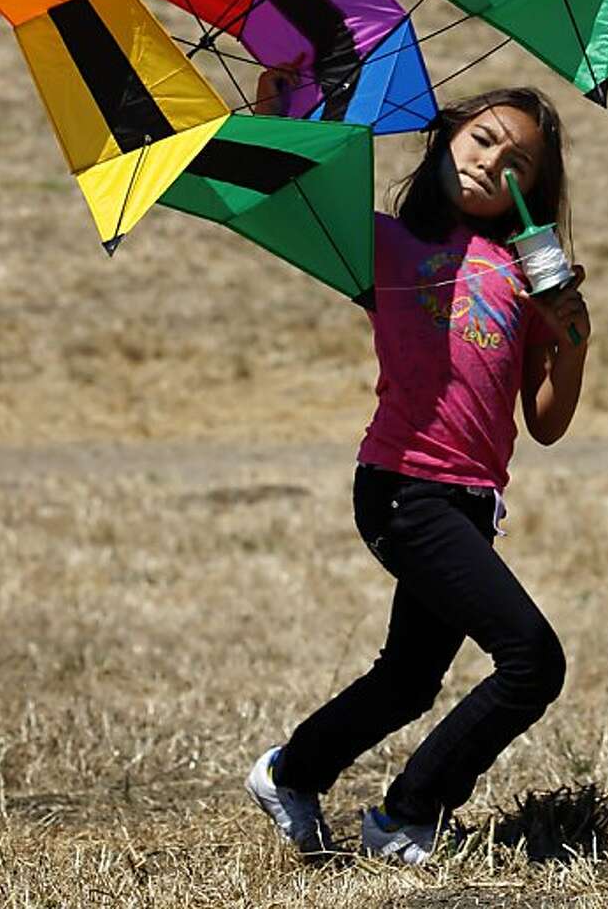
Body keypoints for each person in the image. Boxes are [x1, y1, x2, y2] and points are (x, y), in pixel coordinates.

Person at [246, 86, 590, 863]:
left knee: (407, 680)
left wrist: (571, 343)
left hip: (472, 501)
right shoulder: (386, 246)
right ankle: (408, 813)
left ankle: (290, 773)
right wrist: (278, 107)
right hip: (403, 486)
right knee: (532, 659)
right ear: (445, 137)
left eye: (517, 162)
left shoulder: (527, 275)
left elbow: (546, 420)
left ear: (535, 189)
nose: (492, 163)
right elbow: (286, 192)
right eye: (482, 139)